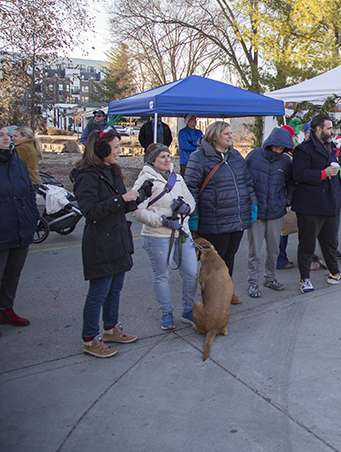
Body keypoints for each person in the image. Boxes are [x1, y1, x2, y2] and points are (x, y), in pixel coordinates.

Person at [71, 128, 147, 358]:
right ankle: (90, 339)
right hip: (100, 242)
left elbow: (120, 205)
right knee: (98, 292)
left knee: (115, 289)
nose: (119, 151)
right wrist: (120, 199)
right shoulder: (86, 176)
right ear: (101, 149)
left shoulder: (112, 171)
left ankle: (111, 328)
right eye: (115, 147)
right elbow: (90, 210)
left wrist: (138, 196)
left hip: (117, 238)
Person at [184, 121, 255, 304]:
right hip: (214, 219)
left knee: (229, 257)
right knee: (214, 263)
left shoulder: (236, 156)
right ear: (215, 136)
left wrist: (252, 205)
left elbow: (248, 183)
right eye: (226, 134)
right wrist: (194, 216)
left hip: (237, 218)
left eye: (231, 133)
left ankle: (227, 291)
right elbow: (190, 190)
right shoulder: (198, 158)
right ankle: (212, 298)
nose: (231, 136)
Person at [132, 143, 198, 330]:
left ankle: (188, 309)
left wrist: (187, 209)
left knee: (191, 273)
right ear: (152, 160)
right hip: (158, 235)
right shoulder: (145, 180)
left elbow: (190, 199)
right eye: (162, 156)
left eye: (168, 156)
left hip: (182, 232)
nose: (167, 159)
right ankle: (166, 313)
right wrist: (161, 220)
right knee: (162, 276)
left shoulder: (177, 178)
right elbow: (137, 211)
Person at [292, 114, 341, 293]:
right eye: (329, 128)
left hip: (330, 203)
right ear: (318, 129)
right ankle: (304, 278)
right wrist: (323, 173)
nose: (332, 132)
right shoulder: (303, 149)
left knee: (331, 242)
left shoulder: (330, 147)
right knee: (307, 244)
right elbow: (298, 175)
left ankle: (334, 273)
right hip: (310, 205)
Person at [245, 127, 295, 297]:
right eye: (276, 147)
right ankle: (253, 282)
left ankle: (270, 278)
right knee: (255, 251)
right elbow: (245, 180)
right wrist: (250, 203)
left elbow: (291, 183)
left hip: (275, 211)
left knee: (274, 249)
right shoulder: (253, 156)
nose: (279, 151)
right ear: (270, 144)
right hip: (256, 211)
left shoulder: (286, 161)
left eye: (282, 149)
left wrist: (287, 200)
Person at [0, 124, 36, 330]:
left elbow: (29, 191)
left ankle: (6, 308)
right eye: (2, 135)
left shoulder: (17, 163)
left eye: (8, 135)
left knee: (13, 272)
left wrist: (32, 216)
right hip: (3, 227)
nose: (7, 139)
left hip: (21, 226)